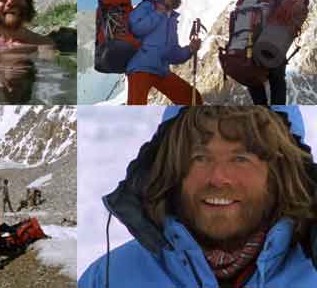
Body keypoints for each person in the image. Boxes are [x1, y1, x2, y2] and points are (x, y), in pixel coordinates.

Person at [79, 106, 317, 287]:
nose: (218, 178)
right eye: (199, 157)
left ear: (281, 173)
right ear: (171, 169)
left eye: (241, 159)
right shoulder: (108, 278)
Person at [242, 0, 309, 105]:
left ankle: (280, 115)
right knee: (252, 77)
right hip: (253, 36)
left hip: (276, 32)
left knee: (276, 75)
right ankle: (262, 112)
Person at [125, 0, 203, 105]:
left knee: (193, 99)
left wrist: (189, 50)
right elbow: (136, 28)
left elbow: (172, 53)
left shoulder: (171, 19)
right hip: (141, 68)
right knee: (136, 110)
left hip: (161, 71)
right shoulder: (148, 6)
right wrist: (157, 13)